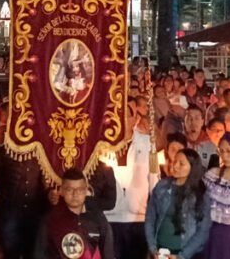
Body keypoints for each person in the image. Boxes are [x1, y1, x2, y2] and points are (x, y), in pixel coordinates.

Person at [104, 96, 159, 259]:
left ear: (135, 119)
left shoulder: (150, 144)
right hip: (109, 217)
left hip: (138, 219)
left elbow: (154, 181)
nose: (122, 119)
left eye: (127, 114)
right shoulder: (101, 146)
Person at [144, 148, 211, 259]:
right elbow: (150, 218)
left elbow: (203, 230)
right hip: (160, 250)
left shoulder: (200, 193)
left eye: (181, 164)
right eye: (174, 161)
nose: (175, 166)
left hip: (186, 252)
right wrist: (152, 247)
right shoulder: (162, 186)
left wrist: (182, 256)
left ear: (192, 168)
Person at [35, 168, 115, 259]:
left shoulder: (98, 219)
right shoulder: (50, 220)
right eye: (69, 189)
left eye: (80, 189)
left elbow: (108, 254)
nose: (75, 194)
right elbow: (39, 255)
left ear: (86, 190)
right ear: (62, 191)